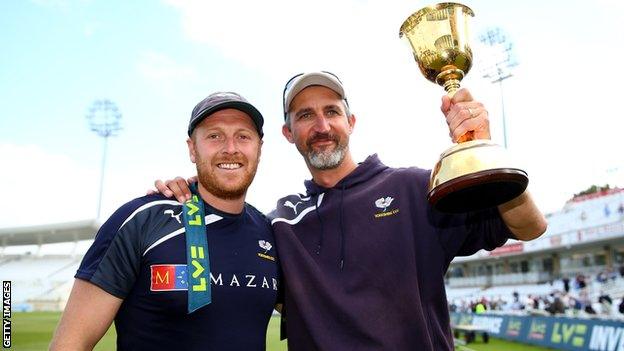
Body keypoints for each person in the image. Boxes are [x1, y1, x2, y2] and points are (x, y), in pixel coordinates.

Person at [156, 71, 547, 350]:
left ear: (351, 122)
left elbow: (530, 226)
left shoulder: (413, 187)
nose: (322, 125)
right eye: (305, 115)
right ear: (288, 133)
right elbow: (230, 235)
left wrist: (483, 154)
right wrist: (192, 190)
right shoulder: (280, 223)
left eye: (331, 111)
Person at [50, 92, 280, 350]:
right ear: (193, 149)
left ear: (259, 149)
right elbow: (70, 344)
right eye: (214, 136)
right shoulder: (142, 219)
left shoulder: (271, 234)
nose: (230, 148)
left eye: (243, 136)